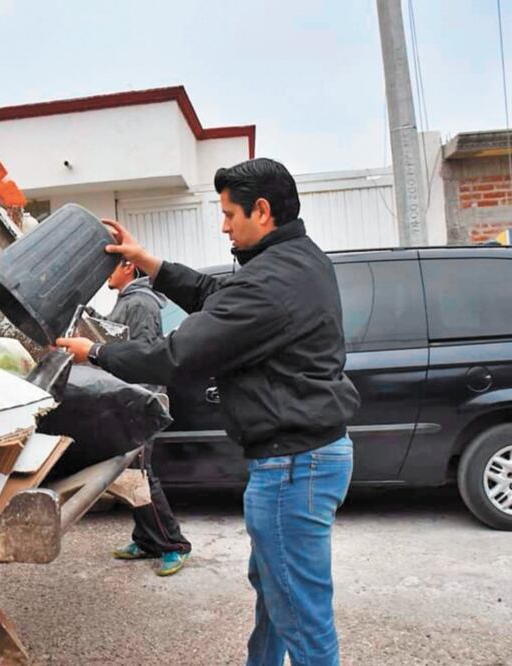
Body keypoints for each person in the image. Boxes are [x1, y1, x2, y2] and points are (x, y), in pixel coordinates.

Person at [58, 158, 360, 666]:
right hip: (306, 458)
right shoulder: (299, 261)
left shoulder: (268, 283)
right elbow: (214, 295)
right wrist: (150, 263)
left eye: (228, 214)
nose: (223, 226)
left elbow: (177, 356)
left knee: (303, 617)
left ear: (261, 211)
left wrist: (97, 353)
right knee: (276, 597)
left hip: (292, 468)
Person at [91, 258, 191, 576]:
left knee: (142, 475)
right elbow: (113, 337)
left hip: (141, 403)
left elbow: (146, 355)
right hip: (129, 402)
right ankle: (147, 539)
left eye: (111, 266)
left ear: (129, 267)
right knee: (130, 474)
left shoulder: (142, 303)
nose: (105, 273)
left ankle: (174, 545)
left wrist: (136, 404)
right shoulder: (127, 301)